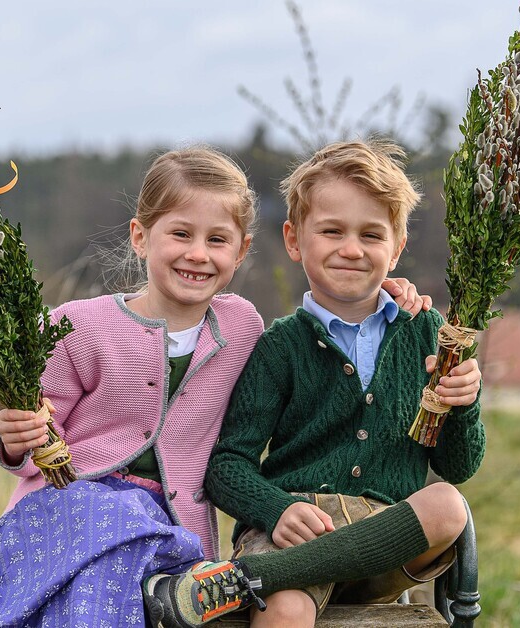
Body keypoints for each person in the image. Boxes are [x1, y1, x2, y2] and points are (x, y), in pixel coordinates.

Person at [0, 146, 434, 628]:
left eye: (218, 240)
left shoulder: (241, 325)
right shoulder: (78, 326)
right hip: (70, 507)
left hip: (174, 533)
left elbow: (343, 299)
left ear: (241, 252)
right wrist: (16, 438)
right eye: (180, 234)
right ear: (141, 236)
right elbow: (37, 439)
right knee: (112, 527)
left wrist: (386, 287)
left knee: (130, 547)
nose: (198, 253)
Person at [143, 139, 485, 628]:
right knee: (285, 608)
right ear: (294, 239)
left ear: (397, 246)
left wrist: (464, 404)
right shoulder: (280, 346)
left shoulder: (427, 334)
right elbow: (226, 465)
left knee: (448, 504)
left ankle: (252, 578)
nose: (351, 249)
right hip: (294, 527)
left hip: (384, 538)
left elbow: (457, 465)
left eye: (372, 235)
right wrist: (276, 509)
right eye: (331, 231)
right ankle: (272, 577)